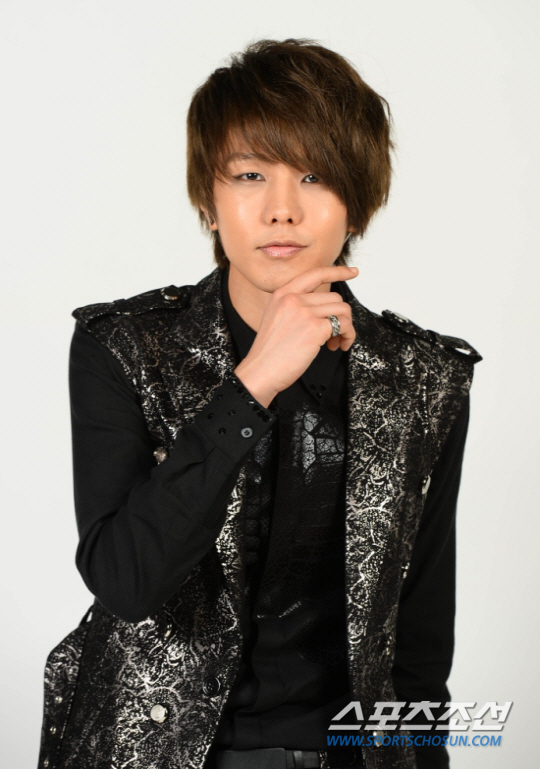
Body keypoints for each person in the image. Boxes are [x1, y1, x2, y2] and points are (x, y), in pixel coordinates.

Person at [37, 39, 482, 769]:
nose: (282, 210)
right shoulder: (126, 348)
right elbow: (125, 582)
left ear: (357, 203)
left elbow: (420, 644)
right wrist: (252, 386)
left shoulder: (423, 378)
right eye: (249, 175)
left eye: (314, 175)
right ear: (208, 203)